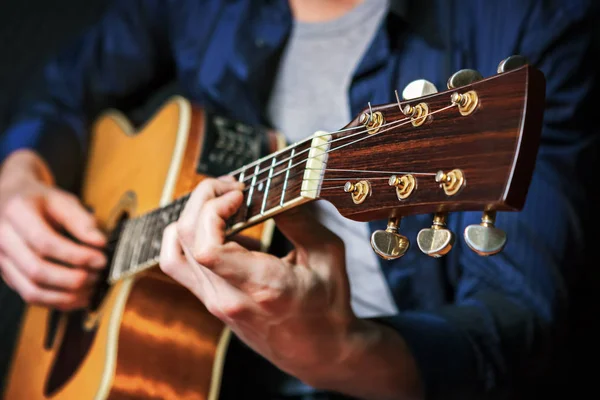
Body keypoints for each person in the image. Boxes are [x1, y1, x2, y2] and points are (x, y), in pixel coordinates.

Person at [0, 0, 598, 398]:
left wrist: (341, 349)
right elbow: (63, 87)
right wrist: (21, 176)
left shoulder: (530, 20)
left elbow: (519, 321)